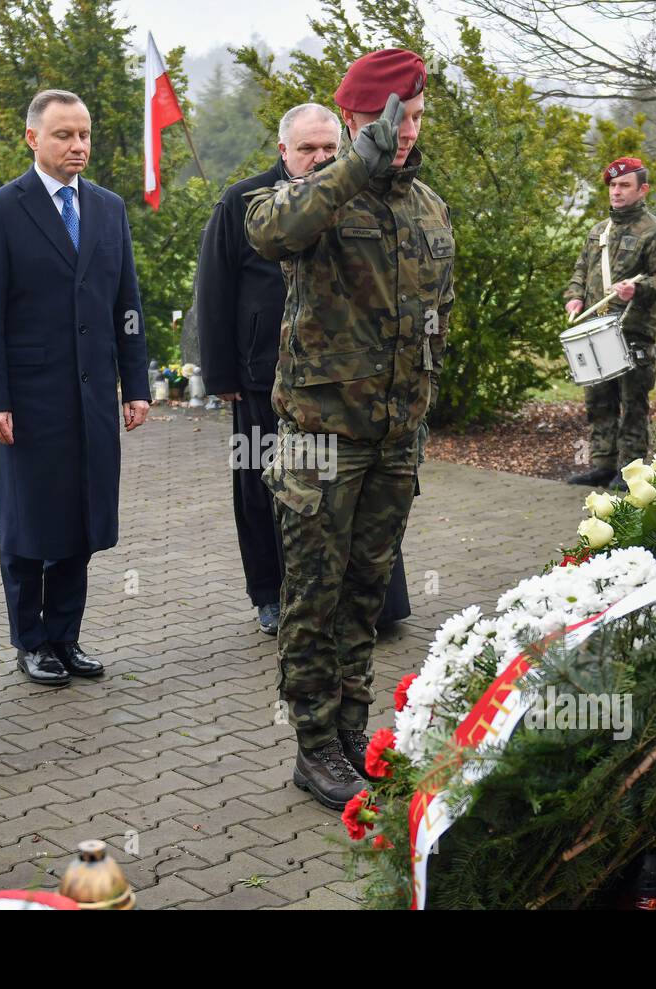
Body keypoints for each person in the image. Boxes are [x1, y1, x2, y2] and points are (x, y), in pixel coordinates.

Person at [245, 48, 453, 810]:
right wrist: (351, 164)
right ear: (356, 123)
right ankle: (312, 746)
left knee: (365, 595)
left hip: (393, 437)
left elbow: (438, 315)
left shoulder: (427, 206)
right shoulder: (318, 196)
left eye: (417, 117)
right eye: (386, 120)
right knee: (312, 596)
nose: (404, 132)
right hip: (318, 438)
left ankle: (352, 735)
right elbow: (269, 232)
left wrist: (422, 399)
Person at [196, 103, 413, 637]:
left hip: (343, 383)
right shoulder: (246, 200)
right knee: (263, 487)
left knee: (350, 488)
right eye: (307, 149)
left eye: (328, 150)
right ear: (282, 151)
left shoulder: (357, 195)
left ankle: (372, 601)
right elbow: (214, 288)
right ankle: (270, 595)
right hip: (262, 380)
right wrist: (221, 375)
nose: (318, 160)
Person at [0, 90, 150, 687]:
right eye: (64, 135)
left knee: (81, 517)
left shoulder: (107, 208)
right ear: (32, 139)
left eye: (84, 135)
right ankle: (31, 641)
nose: (78, 146)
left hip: (92, 395)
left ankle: (66, 636)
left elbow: (127, 303)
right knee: (28, 522)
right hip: (28, 399)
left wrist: (136, 383)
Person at [564, 157, 656, 489]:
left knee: (632, 403)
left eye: (624, 185)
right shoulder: (598, 231)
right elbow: (579, 272)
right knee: (598, 400)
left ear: (642, 190)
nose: (616, 191)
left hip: (633, 331)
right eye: (613, 185)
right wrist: (574, 297)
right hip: (596, 328)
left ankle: (629, 471)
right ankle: (602, 464)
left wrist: (638, 289)